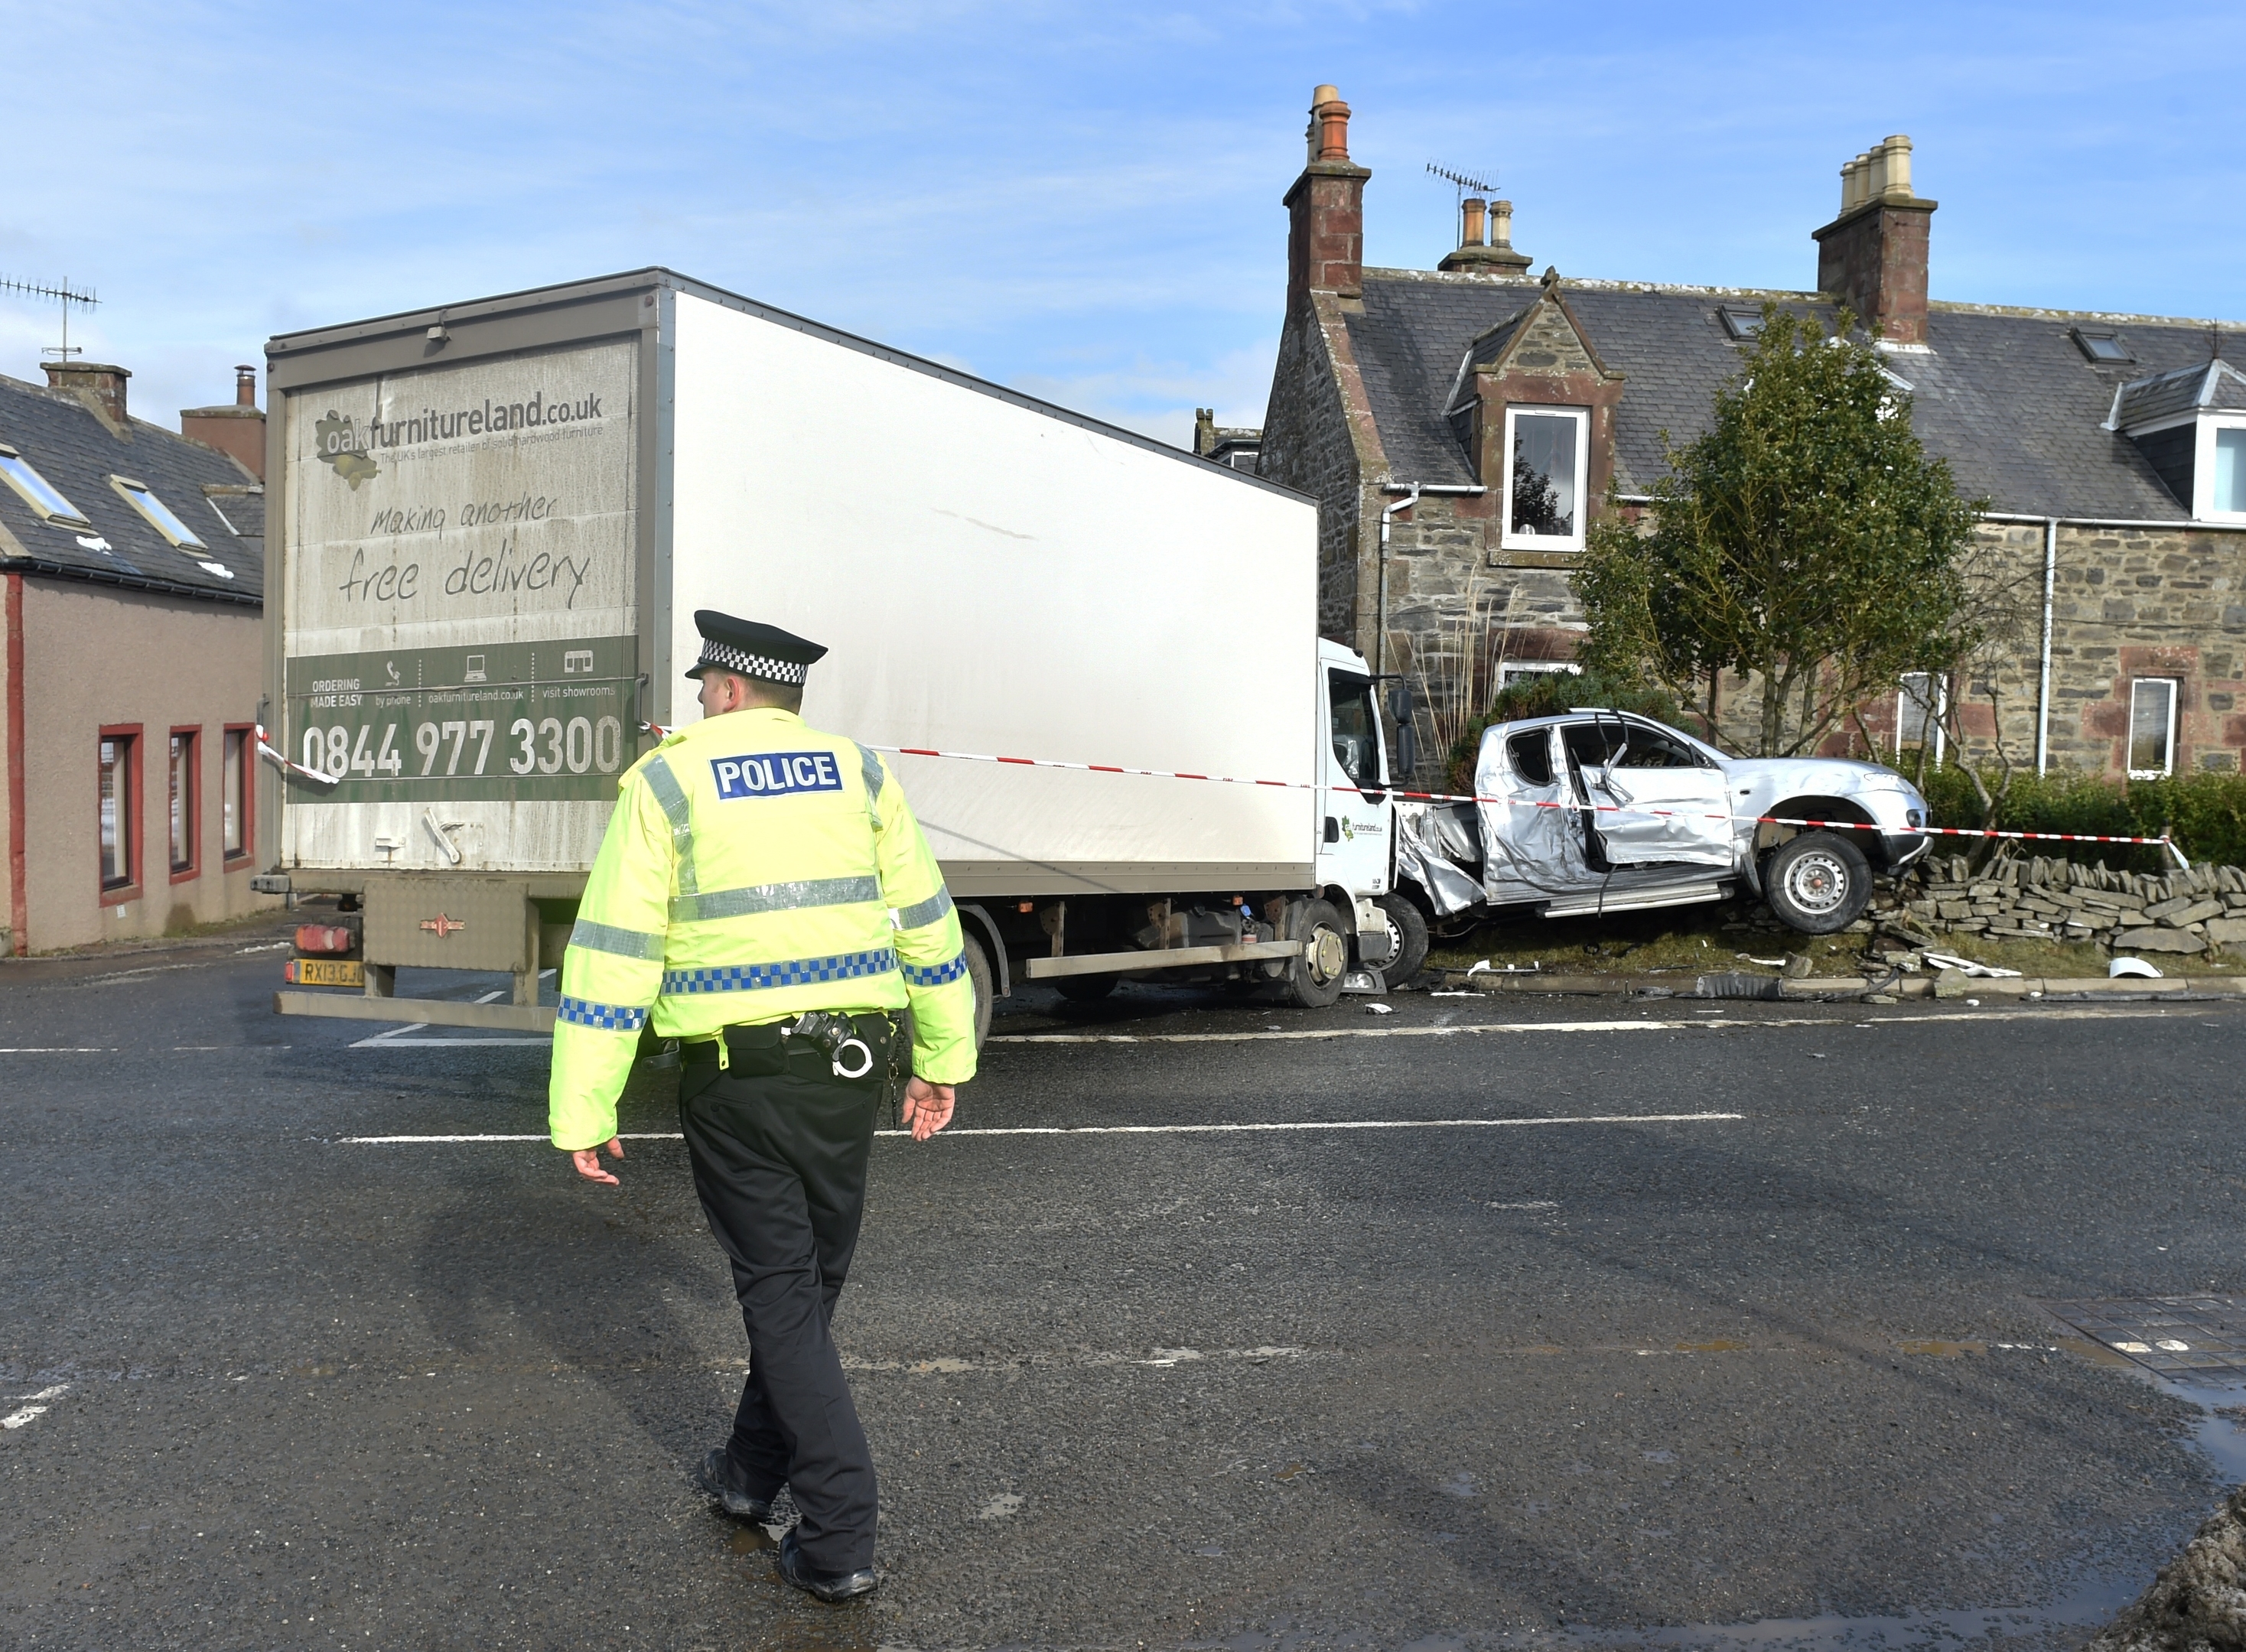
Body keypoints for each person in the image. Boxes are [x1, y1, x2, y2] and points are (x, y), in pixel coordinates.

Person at [548, 610, 978, 1605]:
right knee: (805, 1290)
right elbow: (924, 917)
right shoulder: (859, 774)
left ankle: (838, 1534)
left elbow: (616, 948)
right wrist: (941, 1055)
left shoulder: (669, 780)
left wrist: (586, 1104)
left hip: (738, 1081)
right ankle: (749, 1477)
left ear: (733, 689)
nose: (698, 698)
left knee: (787, 1298)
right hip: (849, 1067)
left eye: (705, 685)